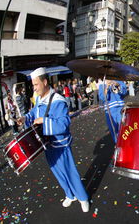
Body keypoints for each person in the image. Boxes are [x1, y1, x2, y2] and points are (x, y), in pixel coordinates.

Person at [17, 67, 90, 212]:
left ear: (44, 82)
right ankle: (70, 194)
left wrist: (44, 121)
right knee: (57, 172)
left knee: (70, 171)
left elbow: (64, 124)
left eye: (36, 84)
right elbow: (34, 113)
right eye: (33, 85)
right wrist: (25, 117)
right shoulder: (38, 99)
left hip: (60, 145)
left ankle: (83, 198)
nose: (34, 88)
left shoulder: (58, 101)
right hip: (47, 144)